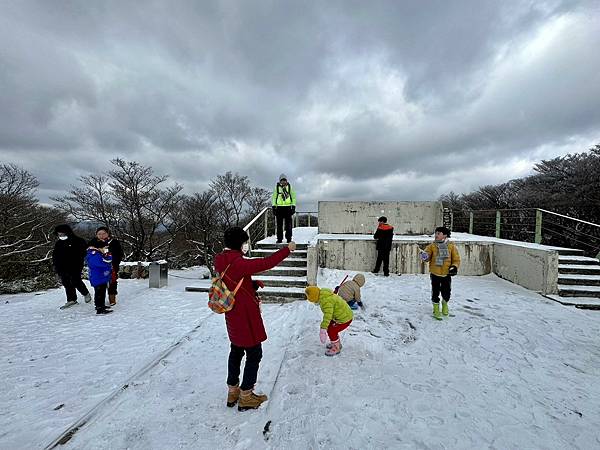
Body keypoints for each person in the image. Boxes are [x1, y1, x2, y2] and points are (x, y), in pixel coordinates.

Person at [214, 226, 296, 411]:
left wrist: (250, 284)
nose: (246, 246)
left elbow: (232, 279)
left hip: (232, 314)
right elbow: (266, 263)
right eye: (244, 242)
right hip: (246, 316)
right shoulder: (238, 262)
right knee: (254, 353)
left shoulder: (220, 259)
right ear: (239, 244)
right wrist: (287, 249)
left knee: (235, 351)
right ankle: (246, 395)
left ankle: (232, 391)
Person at [420, 226, 461, 320]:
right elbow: (427, 258)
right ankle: (436, 308)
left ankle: (445, 303)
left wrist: (454, 267)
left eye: (439, 233)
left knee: (446, 292)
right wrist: (424, 256)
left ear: (445, 235)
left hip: (446, 274)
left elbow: (456, 259)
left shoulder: (451, 246)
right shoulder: (432, 246)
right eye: (436, 233)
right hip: (435, 274)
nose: (436, 235)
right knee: (435, 292)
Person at [305, 285, 353, 356]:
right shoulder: (324, 294)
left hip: (344, 318)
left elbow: (328, 315)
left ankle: (336, 347)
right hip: (342, 315)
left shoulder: (325, 302)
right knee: (330, 327)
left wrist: (323, 328)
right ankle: (336, 342)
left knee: (332, 330)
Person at [52, 224, 91, 309]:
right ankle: (71, 300)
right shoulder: (59, 243)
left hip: (75, 265)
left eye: (62, 234)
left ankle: (85, 293)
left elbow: (84, 253)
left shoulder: (79, 241)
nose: (61, 236)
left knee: (75, 281)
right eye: (59, 234)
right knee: (66, 283)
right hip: (62, 267)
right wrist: (56, 266)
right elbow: (55, 255)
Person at [92, 227, 123, 305]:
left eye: (104, 233)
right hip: (98, 267)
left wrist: (112, 258)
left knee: (112, 282)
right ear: (96, 235)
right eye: (99, 234)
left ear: (108, 233)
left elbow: (119, 254)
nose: (101, 235)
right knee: (100, 284)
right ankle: (99, 302)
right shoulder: (93, 243)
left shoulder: (114, 242)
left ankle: (112, 298)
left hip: (112, 266)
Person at [86, 242, 114, 315]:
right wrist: (108, 258)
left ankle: (101, 305)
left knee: (101, 292)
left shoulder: (97, 253)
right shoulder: (94, 254)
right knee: (99, 293)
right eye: (104, 248)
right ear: (99, 247)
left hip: (100, 277)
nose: (105, 250)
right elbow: (103, 263)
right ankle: (99, 309)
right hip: (98, 277)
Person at [271, 173, 296, 243]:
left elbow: (293, 197)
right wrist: (273, 207)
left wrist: (293, 207)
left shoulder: (290, 187)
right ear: (280, 181)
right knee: (279, 225)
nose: (283, 181)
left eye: (284, 180)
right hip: (279, 208)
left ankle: (289, 238)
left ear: (286, 181)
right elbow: (274, 198)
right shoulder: (277, 188)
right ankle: (279, 239)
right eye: (282, 180)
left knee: (288, 225)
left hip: (288, 208)